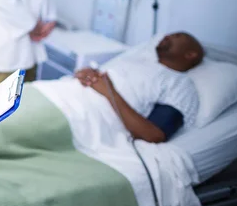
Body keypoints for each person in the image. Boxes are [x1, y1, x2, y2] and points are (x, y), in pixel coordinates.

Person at [75, 32, 205, 143]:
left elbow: (153, 135)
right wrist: (86, 73)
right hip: (68, 93)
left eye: (177, 36)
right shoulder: (138, 60)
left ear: (191, 54)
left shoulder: (179, 84)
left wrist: (109, 92)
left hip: (87, 114)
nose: (167, 36)